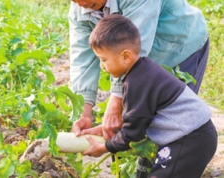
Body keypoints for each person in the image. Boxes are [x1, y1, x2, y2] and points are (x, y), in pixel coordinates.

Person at [52, 0, 209, 141]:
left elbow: (134, 53)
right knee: (138, 119)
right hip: (142, 60)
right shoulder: (80, 7)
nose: (80, 4)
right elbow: (82, 57)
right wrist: (83, 110)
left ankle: (182, 162)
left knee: (175, 120)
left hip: (181, 48)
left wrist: (115, 102)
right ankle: (149, 165)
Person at [81, 14, 217, 177]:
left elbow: (132, 134)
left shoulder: (137, 82)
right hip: (194, 136)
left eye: (103, 60)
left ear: (125, 56)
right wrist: (108, 129)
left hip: (190, 139)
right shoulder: (143, 71)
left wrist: (104, 147)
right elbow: (140, 116)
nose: (102, 66)